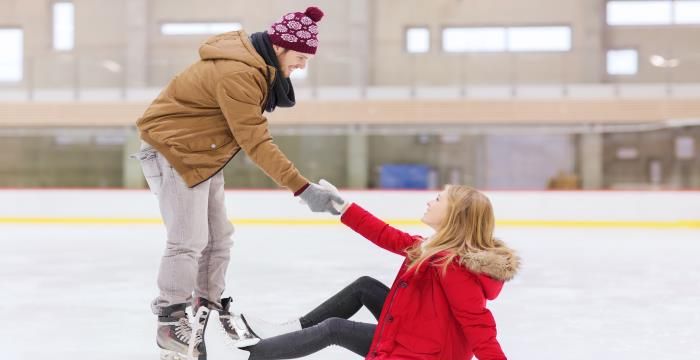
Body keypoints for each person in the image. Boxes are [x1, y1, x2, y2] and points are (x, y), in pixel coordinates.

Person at [131, 6, 340, 360]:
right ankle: (171, 322)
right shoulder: (240, 74)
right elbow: (256, 142)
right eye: (301, 57)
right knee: (188, 239)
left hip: (202, 151)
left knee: (219, 237)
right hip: (174, 148)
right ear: (280, 47)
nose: (303, 66)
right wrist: (303, 189)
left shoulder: (255, 69)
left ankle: (207, 310)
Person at [228, 181, 520, 359]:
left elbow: (477, 326)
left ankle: (244, 356)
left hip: (425, 355)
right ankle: (287, 330)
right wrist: (343, 208)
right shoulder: (432, 250)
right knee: (365, 286)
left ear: (455, 216)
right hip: (421, 336)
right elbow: (386, 235)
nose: (430, 200)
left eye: (439, 199)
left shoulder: (453, 266)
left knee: (334, 328)